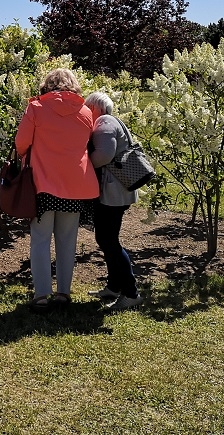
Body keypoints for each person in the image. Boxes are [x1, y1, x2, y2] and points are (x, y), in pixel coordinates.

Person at [15, 68, 99, 311]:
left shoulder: (36, 108)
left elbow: (21, 143)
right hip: (75, 185)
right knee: (67, 240)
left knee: (40, 240)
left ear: (47, 85)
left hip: (43, 185)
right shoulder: (85, 111)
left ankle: (41, 295)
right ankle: (63, 292)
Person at [84, 91, 142, 311]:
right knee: (106, 239)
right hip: (117, 191)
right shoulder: (112, 121)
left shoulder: (104, 122)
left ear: (95, 108)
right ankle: (114, 286)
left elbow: (105, 155)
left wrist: (83, 166)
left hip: (112, 193)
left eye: (87, 108)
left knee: (109, 241)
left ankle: (131, 292)